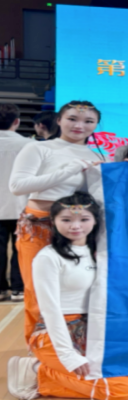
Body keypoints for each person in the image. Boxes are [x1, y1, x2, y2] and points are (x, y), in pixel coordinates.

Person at [7, 192, 128, 400]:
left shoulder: (101, 254)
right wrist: (67, 355)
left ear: (95, 221)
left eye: (84, 219)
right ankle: (37, 372)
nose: (75, 226)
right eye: (66, 220)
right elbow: (50, 310)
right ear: (53, 221)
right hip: (56, 334)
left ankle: (40, 370)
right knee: (125, 389)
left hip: (92, 332)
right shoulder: (48, 257)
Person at [9, 101, 105, 343]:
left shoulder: (97, 155)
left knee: (76, 289)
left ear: (96, 125)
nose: (79, 125)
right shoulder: (38, 148)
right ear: (59, 120)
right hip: (39, 226)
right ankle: (38, 349)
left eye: (88, 121)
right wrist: (68, 170)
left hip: (78, 231)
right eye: (72, 118)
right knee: (38, 289)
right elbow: (17, 186)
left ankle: (71, 346)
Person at [0, 104, 28, 302]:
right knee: (21, 248)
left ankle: (1, 289)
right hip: (22, 205)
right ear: (17, 121)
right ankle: (18, 289)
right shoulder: (30, 145)